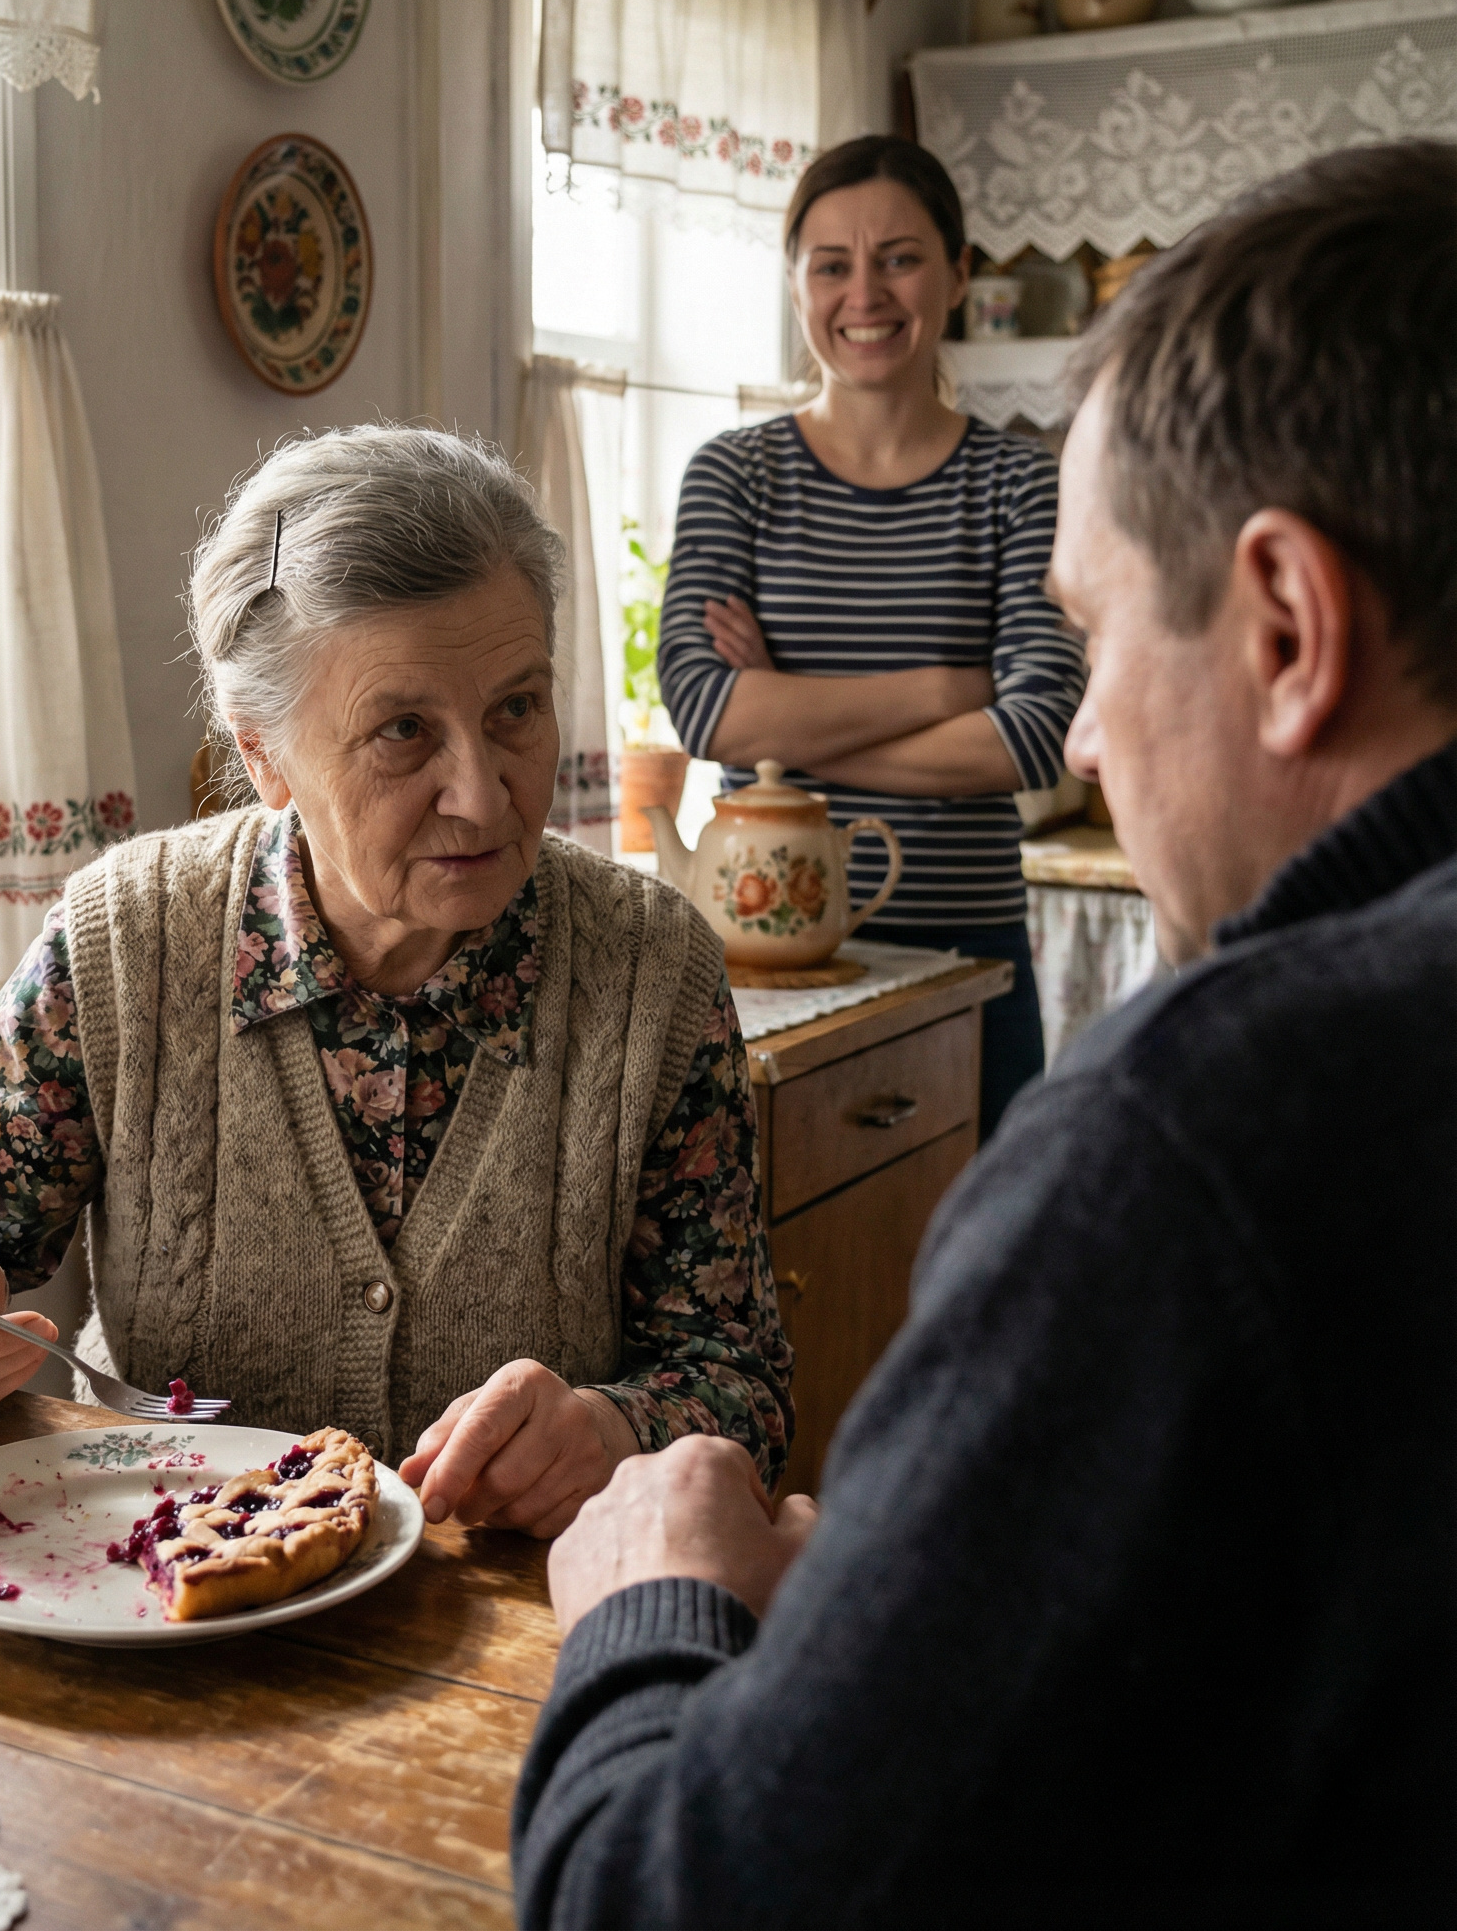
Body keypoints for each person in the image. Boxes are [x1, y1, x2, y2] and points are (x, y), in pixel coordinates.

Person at [511, 142, 1457, 1922]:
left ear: (1285, 625)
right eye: (825, 264)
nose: (1088, 735)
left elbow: (676, 1897)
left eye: (1097, 640)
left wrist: (652, 1592)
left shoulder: (1185, 1140)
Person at [0, 426, 792, 1538]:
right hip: (163, 1607)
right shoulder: (127, 945)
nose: (483, 791)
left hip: (511, 1639)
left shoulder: (653, 973)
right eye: (403, 730)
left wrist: (614, 1429)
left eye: (515, 707)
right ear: (262, 750)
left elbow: (738, 1382)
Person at [658, 136, 1085, 1138]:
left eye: (897, 256)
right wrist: (947, 687)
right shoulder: (734, 475)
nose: (865, 294)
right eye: (831, 265)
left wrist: (782, 728)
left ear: (956, 272)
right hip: (764, 954)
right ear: (796, 282)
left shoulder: (1020, 485)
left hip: (964, 950)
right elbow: (704, 709)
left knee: (974, 1271)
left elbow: (1030, 736)